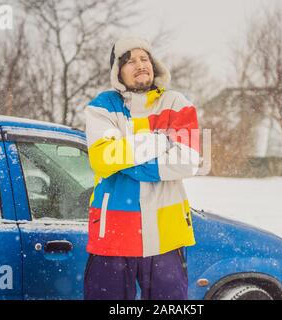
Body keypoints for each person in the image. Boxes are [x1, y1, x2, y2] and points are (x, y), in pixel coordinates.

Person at [83, 37, 200, 300]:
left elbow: (188, 160)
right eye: (130, 60)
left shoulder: (176, 103)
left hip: (166, 237)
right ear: (117, 71)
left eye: (144, 58)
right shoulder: (103, 106)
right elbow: (103, 158)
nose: (140, 64)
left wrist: (124, 161)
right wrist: (159, 141)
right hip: (112, 232)